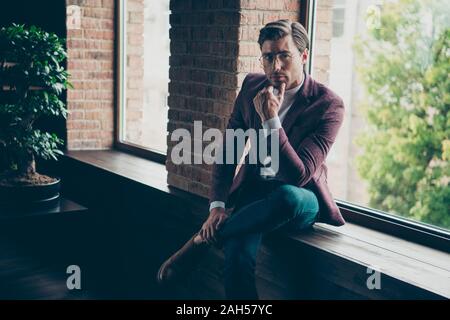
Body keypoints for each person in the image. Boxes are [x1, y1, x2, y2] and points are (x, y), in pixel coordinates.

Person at [157, 19, 346, 299]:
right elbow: (230, 150)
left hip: (302, 198)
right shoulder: (251, 87)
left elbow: (299, 175)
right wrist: (217, 207)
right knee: (237, 258)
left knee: (286, 197)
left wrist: (271, 119)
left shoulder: (328, 105)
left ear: (303, 57)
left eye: (285, 55)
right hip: (255, 194)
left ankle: (198, 244)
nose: (276, 66)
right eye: (268, 57)